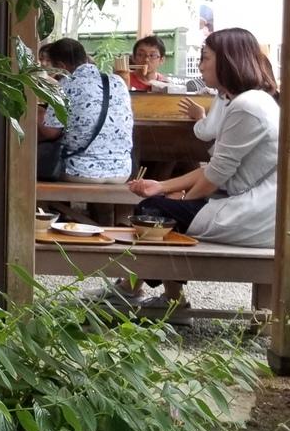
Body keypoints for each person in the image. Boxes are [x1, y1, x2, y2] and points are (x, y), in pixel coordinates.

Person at [118, 27, 280, 309]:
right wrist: (162, 187)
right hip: (248, 203)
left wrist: (178, 199)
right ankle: (160, 296)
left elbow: (214, 175)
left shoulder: (246, 106)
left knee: (153, 212)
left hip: (255, 213)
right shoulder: (246, 100)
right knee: (160, 207)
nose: (201, 65)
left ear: (228, 60)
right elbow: (215, 168)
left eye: (205, 58)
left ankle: (147, 294)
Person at [38, 38, 133, 183]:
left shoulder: (66, 84)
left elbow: (51, 131)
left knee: (34, 164)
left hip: (81, 171)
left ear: (61, 66)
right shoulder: (118, 81)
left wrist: (35, 111)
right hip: (122, 171)